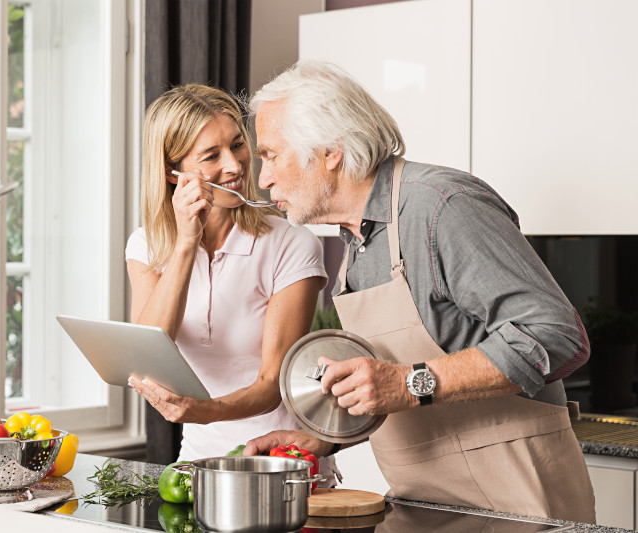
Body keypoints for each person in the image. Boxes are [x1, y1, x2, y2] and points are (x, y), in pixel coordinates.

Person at [242, 60, 595, 523]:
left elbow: (557, 337)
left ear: (330, 151)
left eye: (270, 154)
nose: (263, 178)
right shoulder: (357, 241)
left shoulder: (442, 208)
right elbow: (392, 389)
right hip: (424, 505)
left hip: (519, 503)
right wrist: (327, 438)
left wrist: (407, 383)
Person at [124, 83, 338, 482]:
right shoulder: (147, 246)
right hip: (196, 464)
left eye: (238, 145)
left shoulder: (291, 243)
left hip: (282, 462)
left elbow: (274, 382)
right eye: (211, 156)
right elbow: (149, 347)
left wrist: (204, 411)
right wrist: (186, 245)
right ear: (175, 174)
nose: (236, 166)